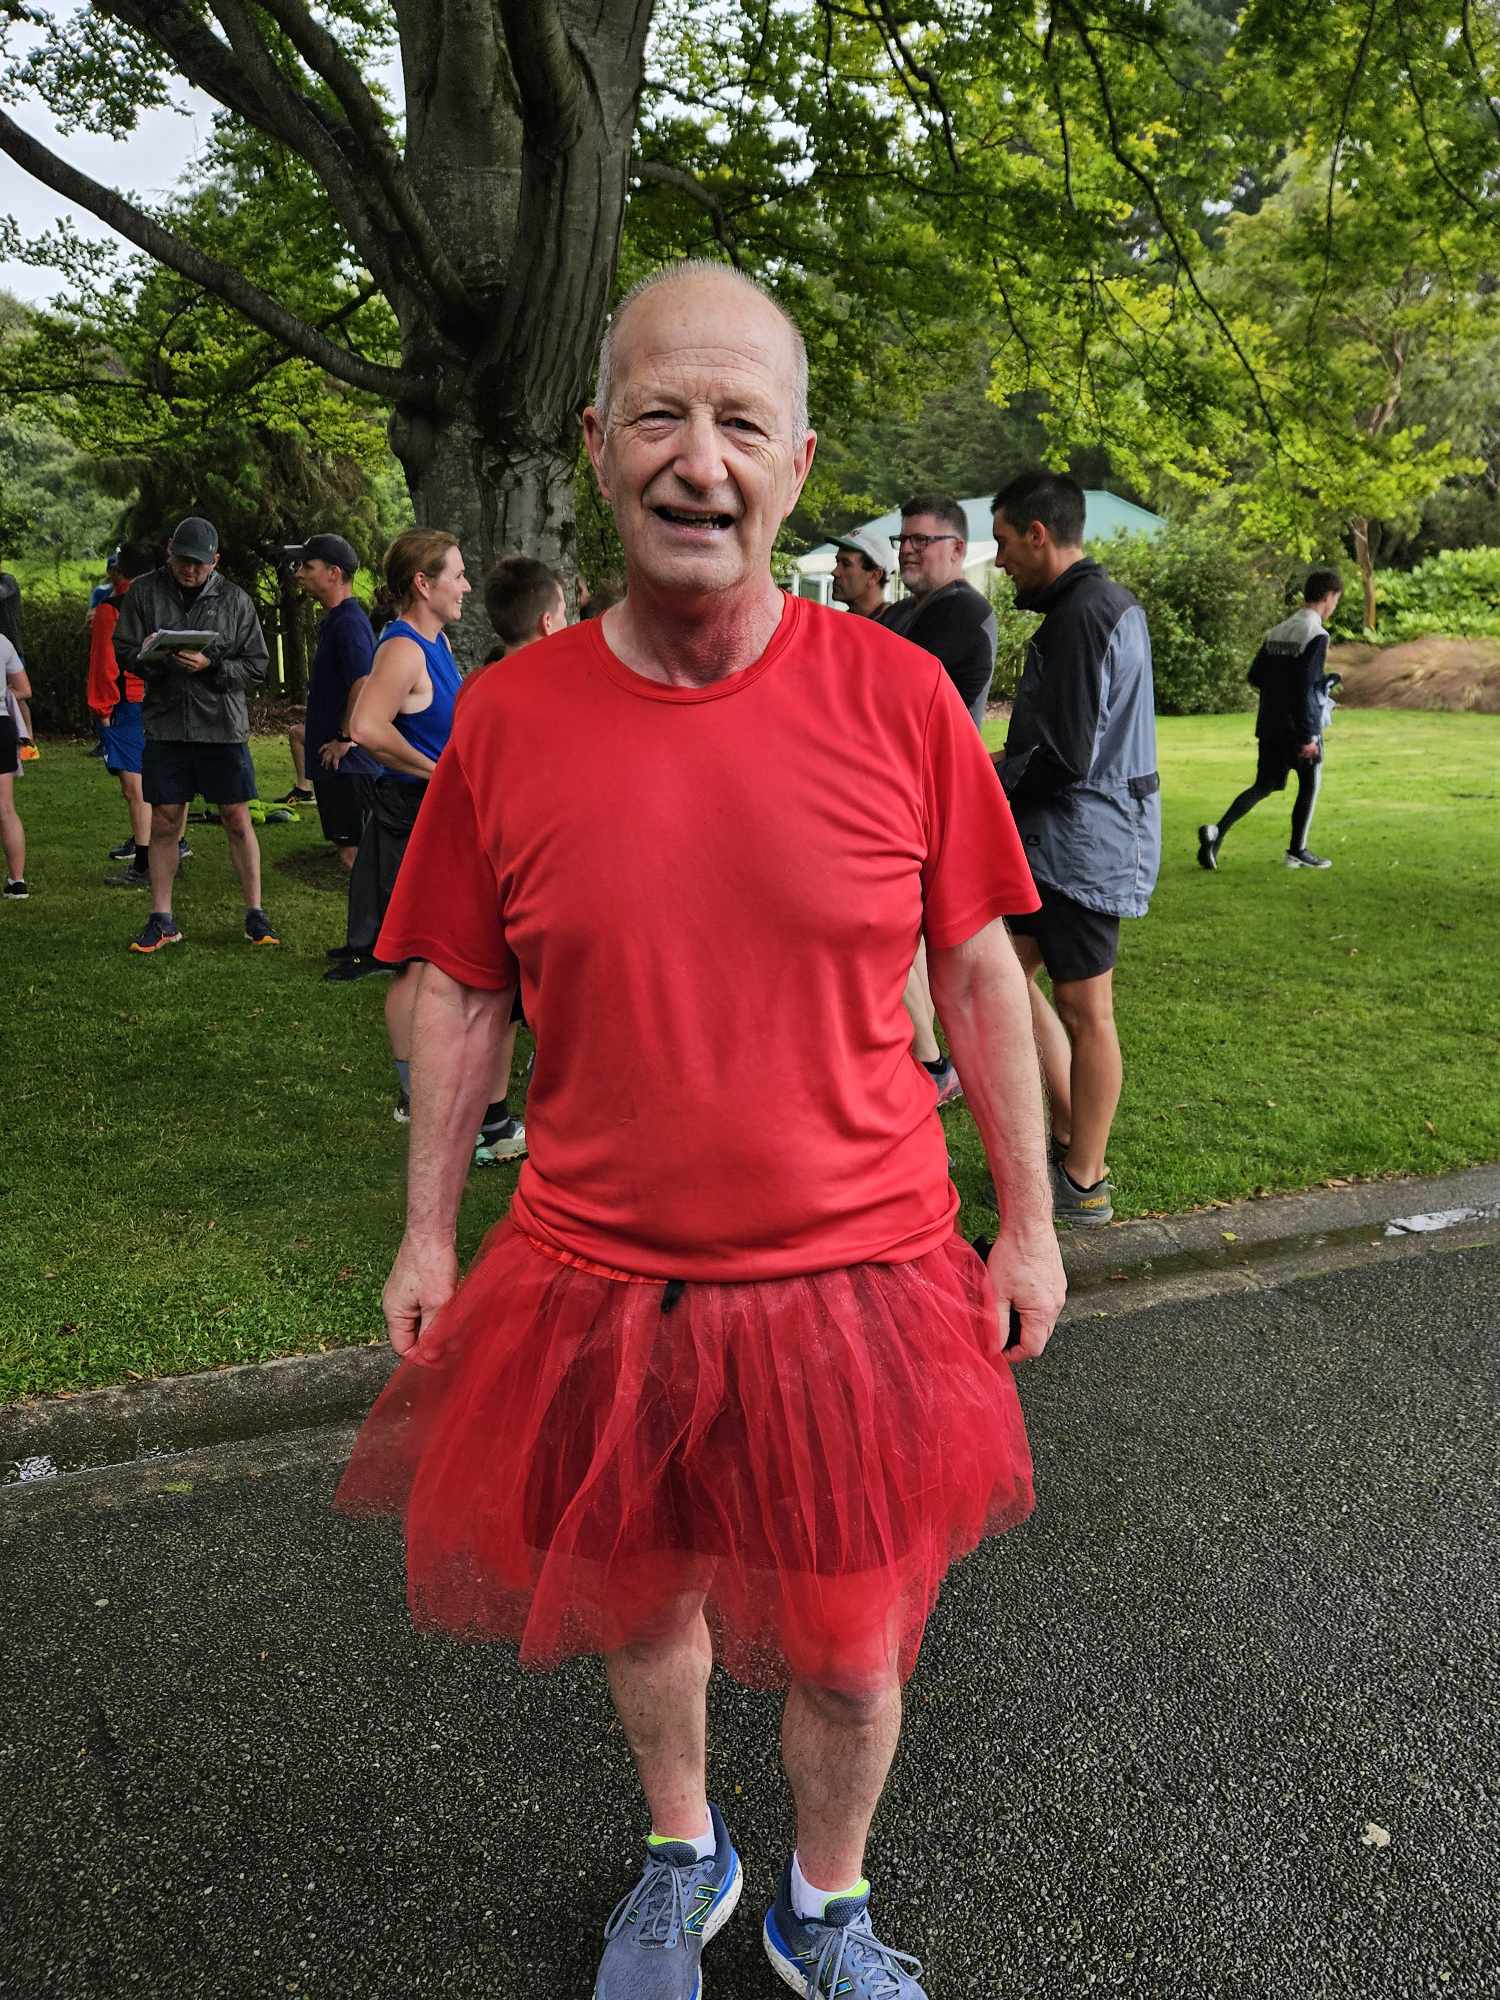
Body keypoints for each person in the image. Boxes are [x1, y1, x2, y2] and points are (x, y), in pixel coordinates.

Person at [336, 261, 1066, 2000]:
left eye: (741, 420)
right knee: (642, 1605)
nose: (699, 456)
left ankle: (828, 1900)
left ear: (796, 467)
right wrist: (430, 1232)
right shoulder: (505, 719)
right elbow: (458, 991)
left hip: (867, 1276)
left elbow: (977, 971)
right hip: (597, 1276)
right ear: (598, 447)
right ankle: (688, 1854)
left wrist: (1027, 1219)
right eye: (660, 412)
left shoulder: (898, 701)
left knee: (855, 1644)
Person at [992, 469, 1160, 1228]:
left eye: (1002, 543)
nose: (999, 563)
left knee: (1086, 1007)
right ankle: (1060, 1122)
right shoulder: (1079, 609)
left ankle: (1084, 1179)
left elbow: (1063, 754)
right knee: (998, 971)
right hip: (1054, 839)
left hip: (1089, 845)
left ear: (1037, 534)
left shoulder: (1087, 614)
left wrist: (983, 776)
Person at [112, 516, 278, 954]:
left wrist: (214, 667)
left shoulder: (236, 600)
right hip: (166, 722)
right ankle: (161, 918)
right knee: (165, 819)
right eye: (183, 561)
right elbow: (124, 650)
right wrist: (155, 657)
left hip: (222, 726)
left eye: (199, 564)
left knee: (237, 818)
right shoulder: (144, 593)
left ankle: (255, 913)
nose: (190, 570)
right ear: (170, 551)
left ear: (215, 561)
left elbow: (257, 665)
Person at [1198, 569, 1344, 873]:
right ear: (1329, 596)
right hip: (1298, 727)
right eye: (1336, 600)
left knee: (1264, 785)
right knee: (1309, 783)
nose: (1335, 606)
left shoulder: (1277, 631)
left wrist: (1286, 689)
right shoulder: (1316, 635)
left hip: (1270, 724)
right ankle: (1297, 850)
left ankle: (1216, 833)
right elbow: (1304, 688)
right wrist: (1308, 736)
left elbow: (1256, 676)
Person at [287, 533, 378, 875]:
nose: (299, 574)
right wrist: (316, 709)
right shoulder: (336, 620)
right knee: (352, 853)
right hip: (337, 760)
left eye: (308, 566)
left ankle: (371, 926)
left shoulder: (350, 622)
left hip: (347, 764)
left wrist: (345, 738)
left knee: (355, 857)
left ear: (334, 573)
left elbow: (364, 681)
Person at [877, 495, 997, 727]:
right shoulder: (900, 611)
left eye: (920, 540)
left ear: (957, 549)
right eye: (902, 540)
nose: (906, 549)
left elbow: (890, 692)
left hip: (935, 761)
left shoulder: (963, 610)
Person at [88, 542, 160, 889]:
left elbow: (105, 665)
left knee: (134, 787)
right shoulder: (162, 603)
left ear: (119, 571)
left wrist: (102, 712)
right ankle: (172, 846)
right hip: (162, 700)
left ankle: (145, 864)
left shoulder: (112, 608)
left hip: (127, 703)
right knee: (160, 779)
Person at [0, 632, 30, 897]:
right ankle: (17, 881)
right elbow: (24, 689)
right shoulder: (2, 641)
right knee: (6, 808)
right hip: (0, 726)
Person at [830, 527, 896, 618]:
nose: (835, 572)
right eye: (837, 562)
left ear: (874, 576)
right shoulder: (837, 625)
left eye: (846, 564)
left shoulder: (897, 628)